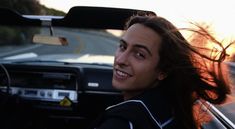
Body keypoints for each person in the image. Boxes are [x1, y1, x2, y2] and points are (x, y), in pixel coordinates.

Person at [90, 12, 232, 129]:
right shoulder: (173, 110)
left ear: (163, 71)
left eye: (139, 54)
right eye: (122, 46)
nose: (121, 60)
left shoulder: (123, 123)